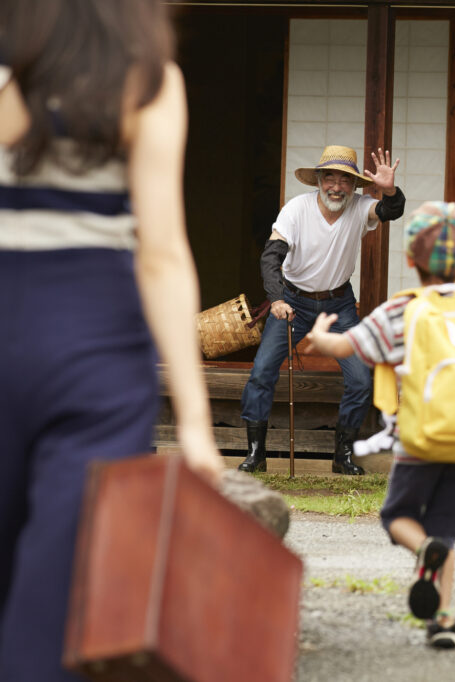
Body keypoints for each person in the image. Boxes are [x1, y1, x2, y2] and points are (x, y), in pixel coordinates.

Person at [0, 1, 224, 679]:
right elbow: (160, 253)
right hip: (96, 354)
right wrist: (193, 421)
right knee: (56, 617)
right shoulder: (147, 79)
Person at [306, 201, 455, 649]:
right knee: (444, 533)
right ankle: (444, 622)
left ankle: (424, 554)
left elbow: (347, 345)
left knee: (400, 518)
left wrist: (319, 338)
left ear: (410, 260)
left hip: (421, 441)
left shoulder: (401, 312)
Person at [237, 144, 405, 476]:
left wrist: (390, 191)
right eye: (330, 177)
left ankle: (342, 455)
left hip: (339, 304)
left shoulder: (360, 207)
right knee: (261, 373)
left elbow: (390, 212)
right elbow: (271, 256)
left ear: (354, 186)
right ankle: (256, 453)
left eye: (345, 180)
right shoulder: (296, 209)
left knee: (360, 378)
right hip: (293, 302)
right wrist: (278, 298)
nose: (336, 187)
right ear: (318, 180)